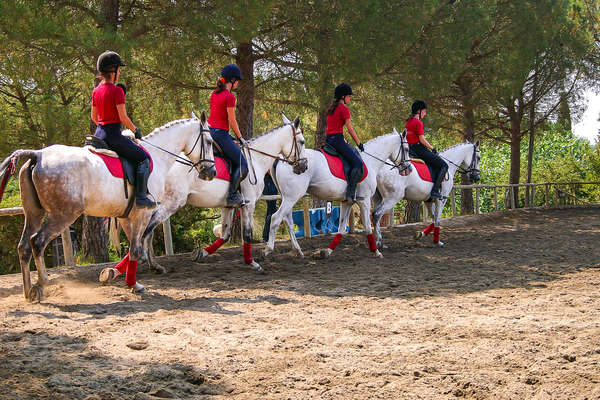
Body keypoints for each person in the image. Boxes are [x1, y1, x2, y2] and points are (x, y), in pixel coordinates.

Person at [91, 50, 155, 208]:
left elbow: (94, 116)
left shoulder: (96, 90)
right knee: (143, 158)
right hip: (113, 137)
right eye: (119, 69)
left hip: (98, 135)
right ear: (113, 71)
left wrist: (104, 124)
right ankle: (141, 197)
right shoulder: (117, 91)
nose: (119, 72)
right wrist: (136, 130)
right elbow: (123, 118)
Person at [208, 64, 248, 207]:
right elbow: (231, 120)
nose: (238, 83)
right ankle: (232, 195)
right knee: (243, 164)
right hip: (221, 135)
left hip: (211, 132)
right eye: (237, 80)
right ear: (232, 80)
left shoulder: (214, 94)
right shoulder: (229, 97)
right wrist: (240, 137)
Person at [325, 83, 365, 201]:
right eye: (349, 96)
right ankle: (350, 193)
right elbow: (349, 128)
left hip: (329, 140)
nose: (350, 98)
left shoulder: (331, 108)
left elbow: (332, 127)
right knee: (358, 163)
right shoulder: (344, 109)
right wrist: (359, 143)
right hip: (337, 141)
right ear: (343, 97)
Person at [405, 100, 448, 199]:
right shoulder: (418, 123)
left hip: (410, 149)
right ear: (419, 111)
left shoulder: (408, 122)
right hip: (418, 149)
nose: (425, 113)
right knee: (444, 165)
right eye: (424, 111)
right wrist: (432, 148)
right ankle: (435, 191)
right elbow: (422, 139)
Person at [261, 172, 278, 242]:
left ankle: (266, 236)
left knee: (270, 210)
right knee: (272, 211)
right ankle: (267, 236)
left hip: (272, 183)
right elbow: (269, 171)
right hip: (268, 183)